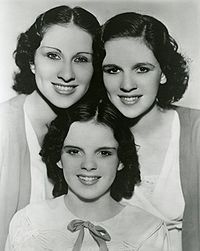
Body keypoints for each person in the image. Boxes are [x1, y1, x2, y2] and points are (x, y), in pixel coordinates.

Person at [5, 99, 170, 250]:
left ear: (121, 161)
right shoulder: (29, 224)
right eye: (74, 151)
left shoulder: (148, 231)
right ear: (58, 158)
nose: (88, 165)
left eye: (104, 153)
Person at [0, 5, 101, 249]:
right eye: (53, 56)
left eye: (80, 59)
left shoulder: (91, 130)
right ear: (31, 61)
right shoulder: (4, 128)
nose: (67, 73)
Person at [99, 12, 200, 251]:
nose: (126, 84)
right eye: (113, 70)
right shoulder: (87, 131)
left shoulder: (194, 132)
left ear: (163, 72)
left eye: (141, 69)